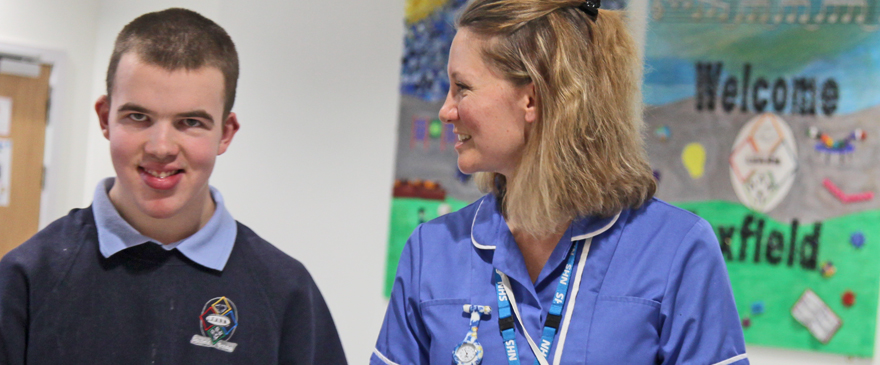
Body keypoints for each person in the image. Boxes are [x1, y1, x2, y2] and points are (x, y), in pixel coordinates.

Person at [372, 0, 748, 364]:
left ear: (531, 99)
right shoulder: (431, 251)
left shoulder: (676, 250)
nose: (445, 110)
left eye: (462, 87)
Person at [0, 8, 346, 364]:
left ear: (225, 134)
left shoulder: (285, 292)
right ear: (105, 118)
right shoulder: (26, 278)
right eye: (138, 116)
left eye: (190, 122)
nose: (161, 147)